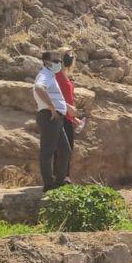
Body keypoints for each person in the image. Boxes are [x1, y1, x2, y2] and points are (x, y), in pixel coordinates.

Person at [33, 50, 74, 191]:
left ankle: (60, 180)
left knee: (65, 150)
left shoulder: (51, 76)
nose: (59, 63)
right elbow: (39, 88)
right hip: (49, 116)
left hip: (57, 117)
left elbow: (56, 96)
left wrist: (66, 108)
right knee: (48, 151)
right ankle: (49, 184)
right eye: (56, 61)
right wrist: (51, 106)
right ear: (46, 62)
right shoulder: (44, 75)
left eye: (60, 61)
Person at [54, 49, 82, 182]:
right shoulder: (56, 75)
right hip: (58, 116)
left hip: (67, 118)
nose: (70, 58)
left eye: (71, 56)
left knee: (68, 149)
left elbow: (68, 97)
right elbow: (53, 96)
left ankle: (65, 178)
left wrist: (73, 117)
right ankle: (59, 179)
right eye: (67, 55)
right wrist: (67, 108)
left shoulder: (66, 75)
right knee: (62, 150)